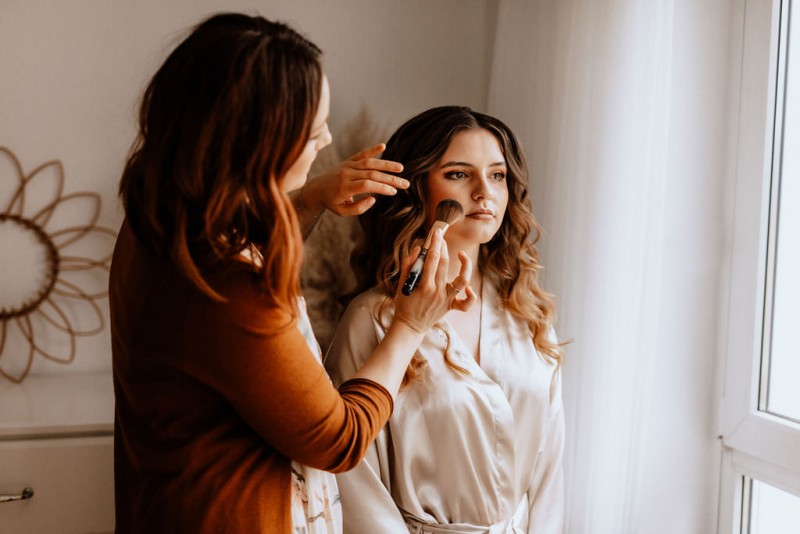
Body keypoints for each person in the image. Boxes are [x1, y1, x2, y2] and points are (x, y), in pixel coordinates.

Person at [109, 15, 474, 533]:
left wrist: (306, 198)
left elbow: (243, 265)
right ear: (255, 143)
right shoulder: (226, 285)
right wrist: (410, 326)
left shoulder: (159, 215)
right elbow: (339, 440)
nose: (325, 141)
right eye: (310, 130)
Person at [324, 106, 566, 533]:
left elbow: (550, 474)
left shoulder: (528, 313)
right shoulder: (375, 320)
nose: (483, 192)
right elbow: (356, 483)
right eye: (458, 174)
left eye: (497, 175)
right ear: (417, 190)